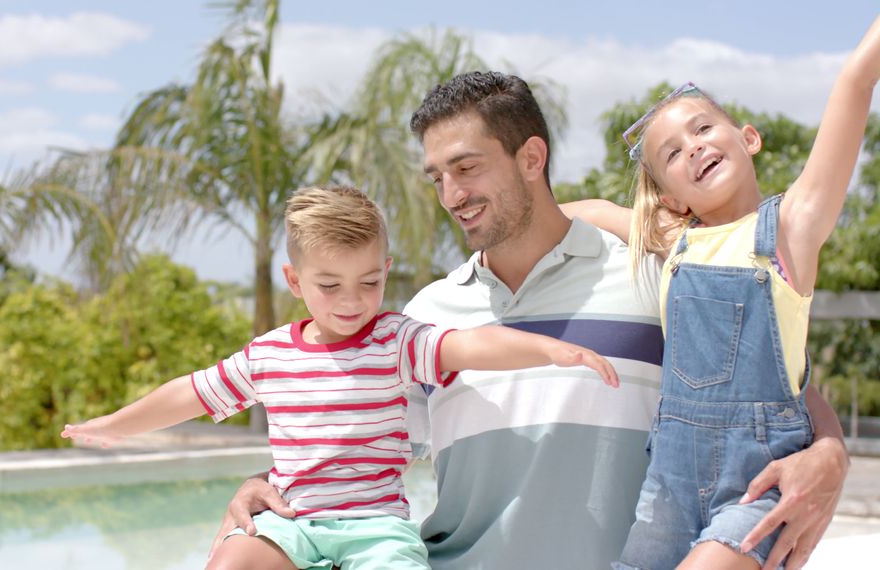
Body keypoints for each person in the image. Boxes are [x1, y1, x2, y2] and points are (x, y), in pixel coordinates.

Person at [212, 70, 851, 570]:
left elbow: (757, 374)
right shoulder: (427, 317)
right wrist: (264, 486)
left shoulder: (647, 272)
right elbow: (348, 435)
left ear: (531, 157)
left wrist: (828, 451)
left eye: (467, 167)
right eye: (437, 177)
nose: (451, 195)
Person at [63, 185, 622, 570]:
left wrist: (550, 348)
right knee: (231, 558)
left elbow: (471, 345)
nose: (353, 302)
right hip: (291, 520)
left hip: (375, 528)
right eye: (330, 285)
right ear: (295, 279)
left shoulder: (396, 339)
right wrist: (117, 423)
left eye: (370, 282)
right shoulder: (269, 354)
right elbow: (190, 391)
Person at [558, 16, 880, 569]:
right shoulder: (674, 240)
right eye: (671, 155)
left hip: (758, 487)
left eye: (703, 129)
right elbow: (579, 213)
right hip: (667, 492)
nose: (692, 148)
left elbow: (854, 82)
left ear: (748, 138)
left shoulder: (792, 229)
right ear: (673, 198)